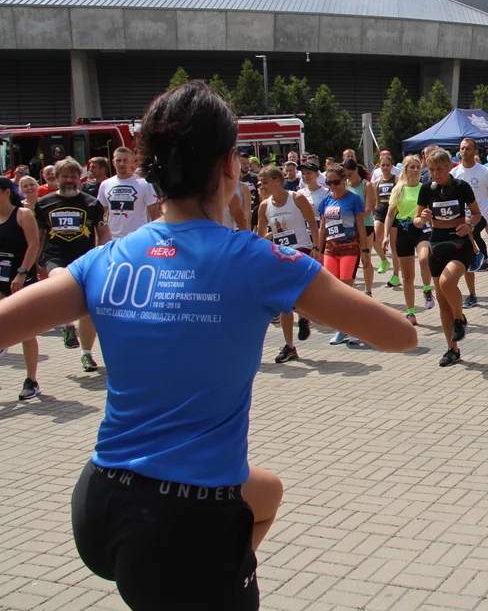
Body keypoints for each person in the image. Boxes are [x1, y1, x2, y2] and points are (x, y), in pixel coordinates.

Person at [0, 82, 416, 611]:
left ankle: (210, 578)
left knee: (264, 492)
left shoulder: (105, 260)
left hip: (100, 502)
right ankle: (211, 578)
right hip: (182, 519)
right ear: (229, 164)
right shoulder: (257, 260)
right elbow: (398, 336)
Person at [35, 157, 111, 371]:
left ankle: (86, 354)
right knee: (63, 283)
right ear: (57, 178)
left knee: (88, 308)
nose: (69, 180)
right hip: (54, 257)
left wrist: (102, 254)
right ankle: (68, 324)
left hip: (85, 258)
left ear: (80, 178)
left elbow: (104, 232)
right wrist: (37, 263)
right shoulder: (42, 204)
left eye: (73, 176)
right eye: (65, 176)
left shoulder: (93, 204)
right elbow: (39, 237)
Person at [416, 148, 484, 367]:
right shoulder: (426, 189)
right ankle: (452, 349)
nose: (435, 174)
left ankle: (460, 318)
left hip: (460, 242)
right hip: (437, 243)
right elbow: (417, 220)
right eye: (432, 170)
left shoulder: (461, 187)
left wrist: (469, 225)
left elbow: (476, 213)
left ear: (449, 167)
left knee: (447, 282)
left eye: (440, 169)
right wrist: (422, 218)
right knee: (442, 302)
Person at [256, 166, 320, 363]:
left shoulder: (297, 198)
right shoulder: (265, 206)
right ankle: (290, 346)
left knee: (290, 296)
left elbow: (312, 222)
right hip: (280, 254)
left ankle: (302, 315)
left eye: (265, 182)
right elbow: (261, 234)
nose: (262, 187)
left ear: (277, 180)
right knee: (284, 302)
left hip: (301, 250)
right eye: (260, 183)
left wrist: (317, 246)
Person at [316, 164, 370, 345]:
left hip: (350, 248)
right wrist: (318, 249)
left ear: (344, 180)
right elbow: (322, 228)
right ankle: (343, 328)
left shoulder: (354, 199)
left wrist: (365, 251)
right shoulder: (326, 200)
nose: (332, 186)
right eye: (328, 182)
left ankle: (353, 328)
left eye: (335, 182)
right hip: (331, 249)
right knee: (334, 291)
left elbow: (361, 227)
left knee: (345, 290)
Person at [0, 177, 41, 400]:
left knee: (26, 329)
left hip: (20, 275)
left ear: (6, 192)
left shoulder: (22, 214)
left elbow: (34, 244)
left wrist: (23, 272)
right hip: (0, 275)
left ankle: (31, 380)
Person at [387, 156, 435, 325]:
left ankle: (427, 289)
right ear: (405, 170)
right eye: (412, 167)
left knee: (424, 259)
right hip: (404, 230)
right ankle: (410, 312)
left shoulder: (426, 188)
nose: (415, 170)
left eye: (417, 167)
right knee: (408, 277)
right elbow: (390, 214)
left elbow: (432, 210)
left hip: (422, 229)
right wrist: (386, 236)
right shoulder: (398, 189)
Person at [451, 138, 488, 308]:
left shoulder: (485, 172)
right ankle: (471, 294)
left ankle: (477, 252)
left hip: (480, 215)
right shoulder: (454, 174)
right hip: (459, 219)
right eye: (462, 148)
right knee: (465, 252)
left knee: (469, 229)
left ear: (476, 151)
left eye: (468, 148)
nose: (465, 151)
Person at [97, 147, 161, 239]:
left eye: (125, 160)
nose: (122, 164)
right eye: (118, 160)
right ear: (113, 162)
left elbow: (155, 215)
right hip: (113, 239)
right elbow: (101, 216)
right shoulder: (105, 184)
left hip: (137, 238)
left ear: (132, 162)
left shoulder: (144, 184)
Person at [342, 159, 378, 295]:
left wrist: (355, 217)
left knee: (366, 259)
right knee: (351, 259)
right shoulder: (345, 185)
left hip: (366, 225)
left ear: (356, 170)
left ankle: (368, 291)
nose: (348, 177)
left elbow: (368, 209)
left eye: (349, 174)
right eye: (346, 175)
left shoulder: (366, 185)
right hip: (350, 228)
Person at [372, 156, 400, 278]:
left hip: (393, 210)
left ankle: (395, 275)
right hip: (381, 210)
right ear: (379, 166)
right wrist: (375, 211)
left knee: (393, 246)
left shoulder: (397, 180)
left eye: (388, 165)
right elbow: (376, 200)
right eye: (383, 165)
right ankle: (384, 260)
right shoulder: (377, 182)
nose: (385, 168)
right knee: (374, 237)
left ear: (391, 166)